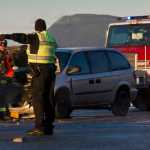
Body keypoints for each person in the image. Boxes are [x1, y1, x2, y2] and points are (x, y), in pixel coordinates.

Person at [0, 18, 57, 135]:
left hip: (40, 71)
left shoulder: (36, 37)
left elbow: (21, 37)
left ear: (36, 28)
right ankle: (49, 126)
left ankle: (39, 127)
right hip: (50, 70)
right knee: (49, 98)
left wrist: (6, 36)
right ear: (45, 27)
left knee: (38, 98)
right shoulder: (51, 38)